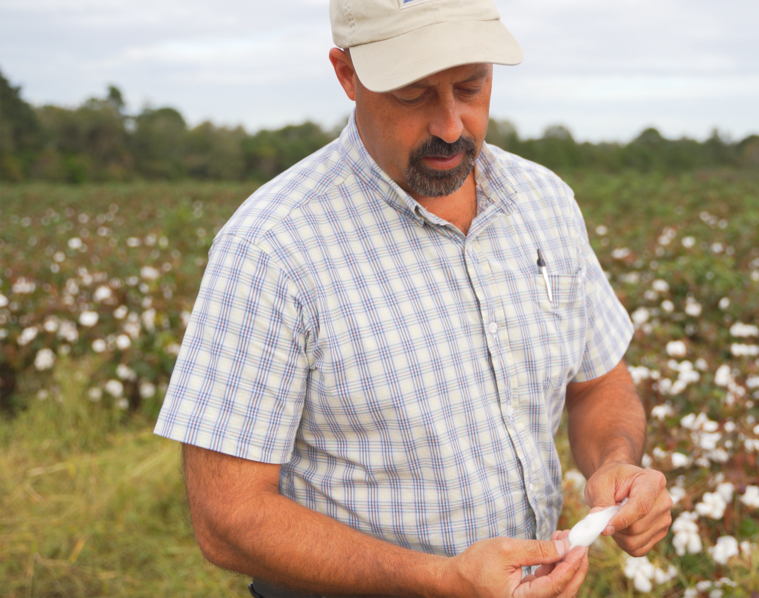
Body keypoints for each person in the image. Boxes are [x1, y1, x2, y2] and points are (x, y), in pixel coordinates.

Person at [153, 0, 674, 595]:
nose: (451, 125)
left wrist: (614, 462)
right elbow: (227, 518)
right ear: (346, 74)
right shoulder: (271, 250)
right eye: (413, 93)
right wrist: (438, 580)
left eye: (472, 86)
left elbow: (597, 385)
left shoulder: (544, 201)